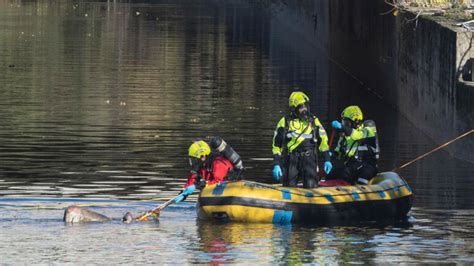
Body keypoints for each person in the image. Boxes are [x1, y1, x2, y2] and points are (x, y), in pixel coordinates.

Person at [271, 91, 332, 188]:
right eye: (301, 107)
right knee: (288, 187)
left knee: (311, 187)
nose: (304, 109)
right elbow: (276, 145)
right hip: (291, 160)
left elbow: (323, 141)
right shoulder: (285, 122)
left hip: (309, 159)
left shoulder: (314, 121)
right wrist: (276, 163)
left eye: (306, 106)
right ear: (294, 108)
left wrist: (327, 159)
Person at [176, 137, 243, 203]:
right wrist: (182, 193)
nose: (193, 162)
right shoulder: (201, 165)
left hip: (230, 188)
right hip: (216, 193)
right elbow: (192, 179)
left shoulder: (218, 163)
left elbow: (218, 182)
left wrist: (197, 185)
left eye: (194, 159)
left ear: (202, 156)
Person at [327, 105, 379, 185]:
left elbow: (357, 135)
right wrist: (330, 155)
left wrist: (342, 127)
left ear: (356, 121)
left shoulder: (368, 131)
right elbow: (339, 153)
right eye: (343, 122)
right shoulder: (344, 137)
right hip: (351, 166)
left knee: (362, 177)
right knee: (331, 174)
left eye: (346, 123)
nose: (344, 125)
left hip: (367, 166)